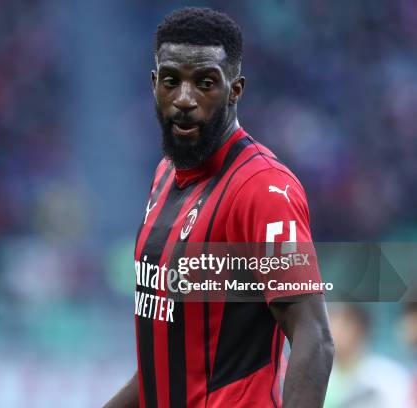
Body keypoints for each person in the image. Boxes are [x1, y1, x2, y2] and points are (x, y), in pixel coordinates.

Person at [104, 7, 334, 408]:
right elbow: (171, 363)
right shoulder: (164, 176)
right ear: (154, 84)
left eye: (205, 82)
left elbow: (314, 337)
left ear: (235, 89)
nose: (185, 99)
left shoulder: (263, 189)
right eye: (171, 81)